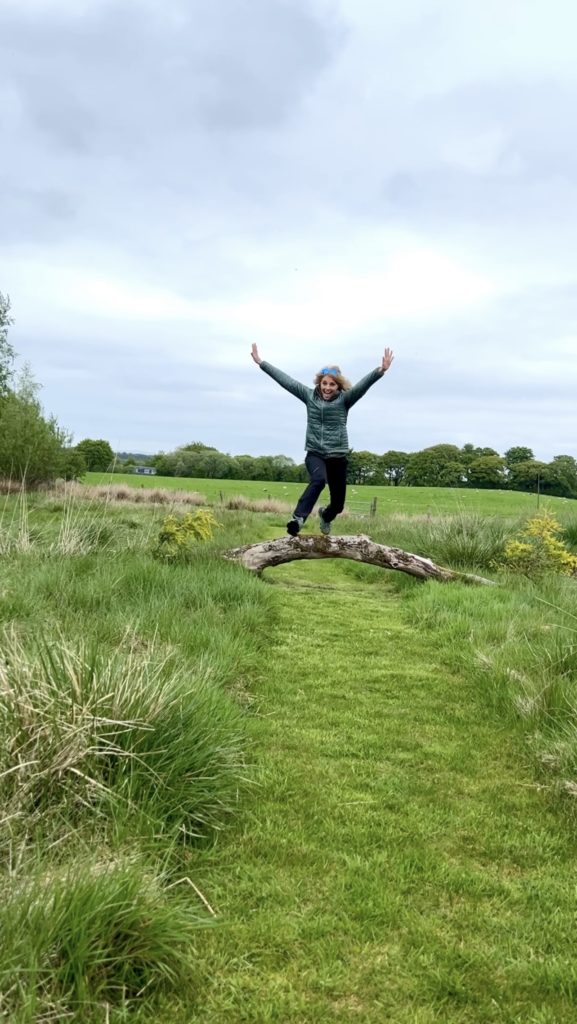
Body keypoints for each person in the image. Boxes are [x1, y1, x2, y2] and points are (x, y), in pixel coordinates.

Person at [250, 343, 394, 536]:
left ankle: (326, 516)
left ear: (339, 386)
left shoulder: (345, 400)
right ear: (319, 383)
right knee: (318, 480)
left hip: (337, 456)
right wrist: (262, 363)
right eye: (324, 383)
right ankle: (298, 519)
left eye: (332, 384)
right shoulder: (309, 397)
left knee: (338, 505)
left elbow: (362, 386)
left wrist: (380, 371)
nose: (327, 388)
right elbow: (287, 381)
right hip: (315, 453)